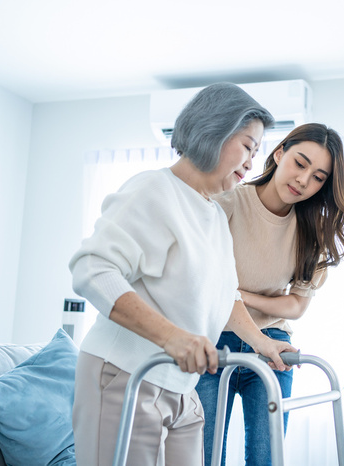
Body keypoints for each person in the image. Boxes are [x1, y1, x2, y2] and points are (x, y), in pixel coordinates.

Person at [69, 82, 296, 466]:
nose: (251, 162)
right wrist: (173, 338)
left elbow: (225, 298)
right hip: (126, 374)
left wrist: (262, 342)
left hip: (181, 387)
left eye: (256, 152)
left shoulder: (212, 214)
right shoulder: (154, 190)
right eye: (246, 145)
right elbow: (92, 269)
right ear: (214, 129)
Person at [196, 123, 344, 466]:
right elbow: (203, 286)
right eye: (300, 163)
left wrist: (240, 295)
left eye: (318, 177)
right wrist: (230, 297)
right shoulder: (228, 203)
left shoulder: (314, 230)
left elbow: (295, 305)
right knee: (204, 458)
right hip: (212, 341)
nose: (303, 180)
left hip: (272, 346)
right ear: (279, 153)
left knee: (266, 459)